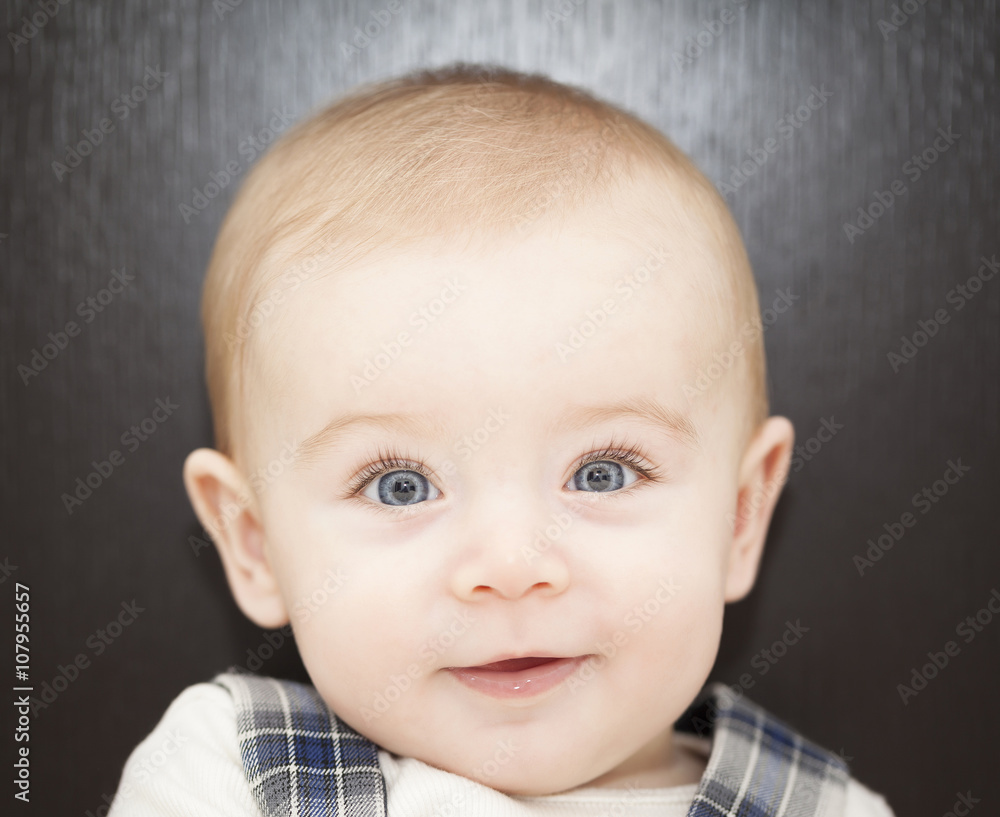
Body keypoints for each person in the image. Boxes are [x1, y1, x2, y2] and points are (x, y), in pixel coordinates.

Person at [108, 63, 895, 816]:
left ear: (740, 514)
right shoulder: (227, 776)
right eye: (400, 485)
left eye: (603, 473)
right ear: (255, 544)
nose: (512, 567)